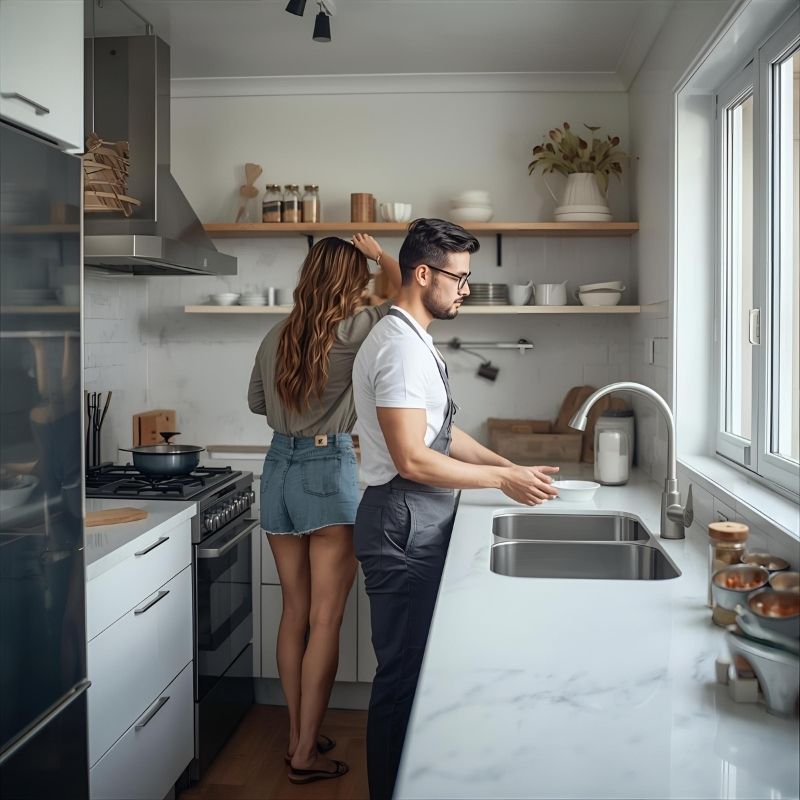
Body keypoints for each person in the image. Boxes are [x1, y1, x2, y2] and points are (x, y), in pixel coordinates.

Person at [352, 218, 560, 800]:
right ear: (424, 273)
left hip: (417, 516)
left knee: (417, 672)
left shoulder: (414, 341)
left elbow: (441, 433)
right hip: (402, 519)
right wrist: (498, 477)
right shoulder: (397, 348)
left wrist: (509, 467)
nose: (466, 289)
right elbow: (413, 459)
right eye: (460, 278)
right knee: (402, 677)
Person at [247, 233, 401, 785]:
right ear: (349, 280)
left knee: (294, 613)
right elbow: (407, 295)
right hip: (325, 469)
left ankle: (296, 735)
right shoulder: (355, 331)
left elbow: (258, 404)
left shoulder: (275, 334)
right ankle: (306, 753)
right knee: (326, 619)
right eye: (359, 275)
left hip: (277, 470)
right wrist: (382, 254)